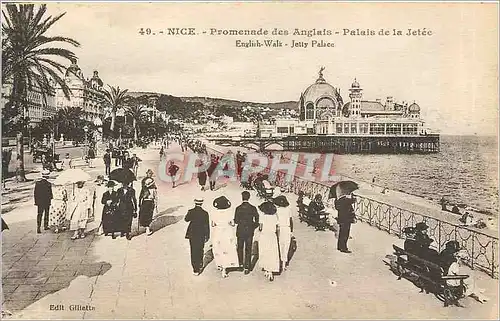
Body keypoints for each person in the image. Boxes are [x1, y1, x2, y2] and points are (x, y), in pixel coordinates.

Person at [211, 196, 239, 278]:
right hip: (227, 232)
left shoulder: (214, 213)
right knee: (226, 249)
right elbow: (233, 223)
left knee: (218, 248)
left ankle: (219, 264)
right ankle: (225, 267)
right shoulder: (229, 212)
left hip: (218, 232)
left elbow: (213, 224)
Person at [234, 191, 259, 274]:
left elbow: (236, 221)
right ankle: (247, 267)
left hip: (240, 230)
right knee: (248, 248)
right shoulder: (253, 208)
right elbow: (257, 219)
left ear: (242, 197)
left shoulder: (238, 208)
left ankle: (240, 264)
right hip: (249, 230)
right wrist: (253, 226)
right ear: (249, 197)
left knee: (240, 248)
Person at [184, 197, 210, 276]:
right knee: (200, 249)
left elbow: (186, 219)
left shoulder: (191, 211)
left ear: (195, 202)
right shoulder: (205, 213)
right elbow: (207, 225)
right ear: (202, 203)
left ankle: (195, 269)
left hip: (192, 233)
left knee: (193, 250)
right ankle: (200, 265)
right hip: (201, 233)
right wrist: (207, 235)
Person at [258, 200, 280, 281]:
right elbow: (277, 228)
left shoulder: (262, 216)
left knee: (265, 252)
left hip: (264, 235)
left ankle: (267, 269)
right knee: (272, 252)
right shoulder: (275, 216)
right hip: (272, 235)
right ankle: (271, 270)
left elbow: (260, 228)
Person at [274, 195, 293, 270]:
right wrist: (291, 230)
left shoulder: (277, 210)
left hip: (279, 228)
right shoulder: (288, 209)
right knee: (286, 246)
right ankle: (284, 263)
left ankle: (279, 262)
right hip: (287, 228)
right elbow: (291, 221)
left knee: (280, 245)